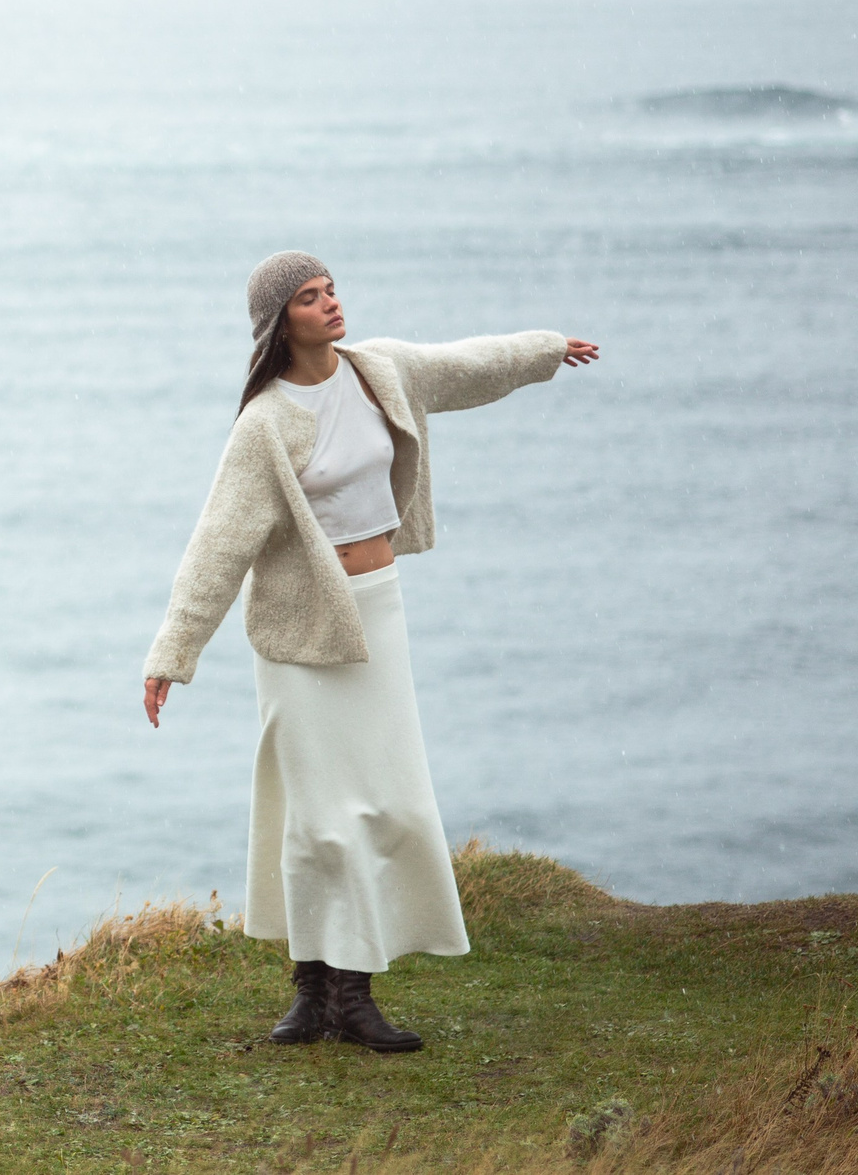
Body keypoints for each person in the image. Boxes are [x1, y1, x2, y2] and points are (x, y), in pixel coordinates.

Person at [140, 251, 598, 1052]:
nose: (330, 305)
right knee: (320, 817)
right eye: (310, 299)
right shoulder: (265, 424)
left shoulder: (380, 371)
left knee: (392, 800)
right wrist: (171, 654)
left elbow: (469, 365)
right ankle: (321, 990)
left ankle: (346, 992)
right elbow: (217, 546)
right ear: (280, 323)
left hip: (376, 615)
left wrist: (547, 348)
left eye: (330, 290)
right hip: (298, 635)